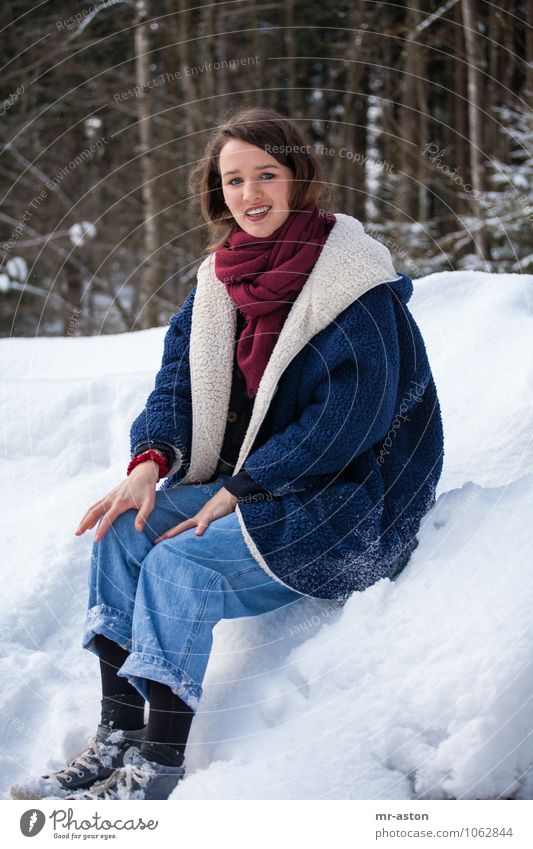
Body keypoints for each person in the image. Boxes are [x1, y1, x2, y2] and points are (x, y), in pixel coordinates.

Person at [10, 106, 444, 801]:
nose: (250, 195)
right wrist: (150, 461)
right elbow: (176, 385)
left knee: (181, 559)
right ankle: (118, 732)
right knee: (123, 530)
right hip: (261, 491)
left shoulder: (353, 286)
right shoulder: (219, 281)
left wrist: (242, 487)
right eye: (233, 180)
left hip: (348, 504)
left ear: (298, 177)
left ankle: (156, 766)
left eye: (265, 174)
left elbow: (350, 420)